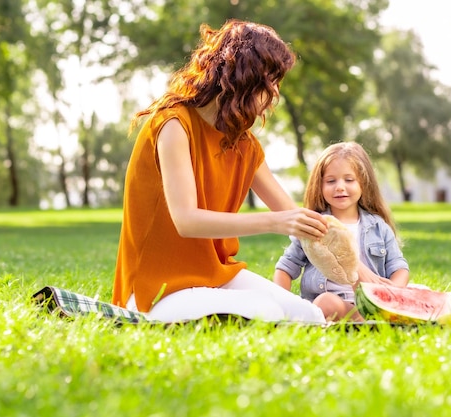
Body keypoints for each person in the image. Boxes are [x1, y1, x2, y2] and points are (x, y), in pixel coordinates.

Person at [111, 19, 328, 324]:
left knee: (309, 316)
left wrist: (369, 280)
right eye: (272, 81)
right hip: (158, 288)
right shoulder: (174, 125)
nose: (275, 93)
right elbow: (187, 220)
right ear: (246, 76)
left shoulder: (244, 143)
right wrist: (276, 222)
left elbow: (300, 222)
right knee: (267, 313)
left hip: (215, 275)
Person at [273, 142, 410, 321]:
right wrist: (283, 303)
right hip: (325, 304)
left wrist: (390, 293)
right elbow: (285, 267)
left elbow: (399, 267)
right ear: (319, 185)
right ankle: (363, 323)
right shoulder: (312, 225)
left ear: (363, 183)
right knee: (326, 303)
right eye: (331, 181)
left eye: (349, 180)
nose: (339, 187)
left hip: (366, 305)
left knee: (417, 291)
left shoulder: (378, 227)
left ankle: (366, 319)